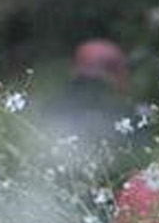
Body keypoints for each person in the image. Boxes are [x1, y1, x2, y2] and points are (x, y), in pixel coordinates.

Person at [41, 38, 143, 193]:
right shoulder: (124, 111)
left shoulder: (51, 106)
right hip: (114, 201)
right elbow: (139, 164)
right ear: (114, 72)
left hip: (56, 201)